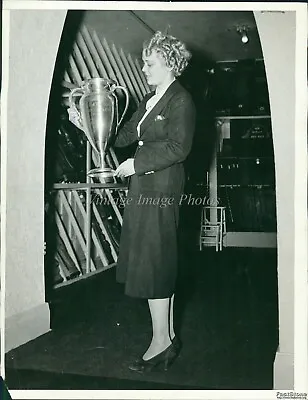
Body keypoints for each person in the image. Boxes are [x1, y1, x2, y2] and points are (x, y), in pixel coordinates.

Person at [69, 31, 196, 373]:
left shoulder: (180, 101)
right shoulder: (150, 100)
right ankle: (166, 336)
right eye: (143, 62)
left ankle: (160, 343)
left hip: (160, 189)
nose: (143, 68)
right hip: (146, 188)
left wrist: (135, 165)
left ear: (169, 64)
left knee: (156, 261)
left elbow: (178, 148)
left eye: (149, 62)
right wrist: (87, 125)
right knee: (158, 260)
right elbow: (122, 136)